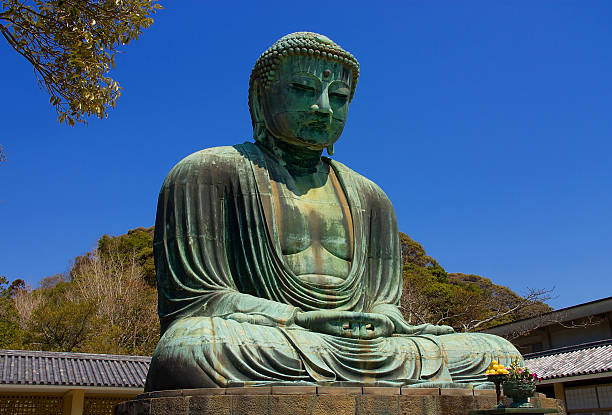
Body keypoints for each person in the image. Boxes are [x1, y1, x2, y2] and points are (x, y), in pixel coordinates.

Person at [144, 32, 521, 391]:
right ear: (261, 98)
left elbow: (384, 303)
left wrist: (384, 322)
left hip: (366, 349)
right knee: (191, 347)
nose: (323, 108)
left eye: (338, 97)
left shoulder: (372, 198)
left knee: (500, 355)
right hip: (271, 338)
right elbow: (198, 302)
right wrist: (296, 318)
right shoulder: (206, 173)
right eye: (303, 89)